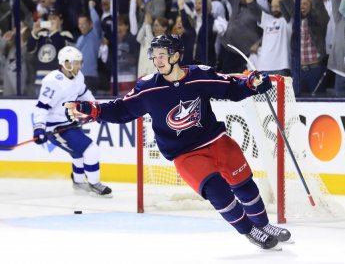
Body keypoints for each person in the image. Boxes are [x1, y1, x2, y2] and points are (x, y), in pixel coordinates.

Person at [64, 34, 290, 249]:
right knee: (217, 190)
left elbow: (230, 88)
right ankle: (250, 231)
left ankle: (264, 224)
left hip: (216, 139)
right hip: (184, 153)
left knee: (244, 183)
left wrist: (252, 85)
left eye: (162, 54)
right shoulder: (148, 87)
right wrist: (92, 110)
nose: (156, 60)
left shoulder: (199, 75)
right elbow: (121, 110)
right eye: (154, 55)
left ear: (175, 56)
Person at [32, 46, 112, 198]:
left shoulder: (78, 76)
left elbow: (84, 94)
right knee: (91, 149)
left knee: (79, 153)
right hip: (54, 128)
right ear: (66, 63)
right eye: (77, 63)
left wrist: (97, 110)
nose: (80, 66)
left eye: (79, 62)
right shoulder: (52, 81)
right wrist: (39, 128)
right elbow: (41, 107)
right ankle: (95, 184)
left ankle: (79, 182)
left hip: (70, 122)